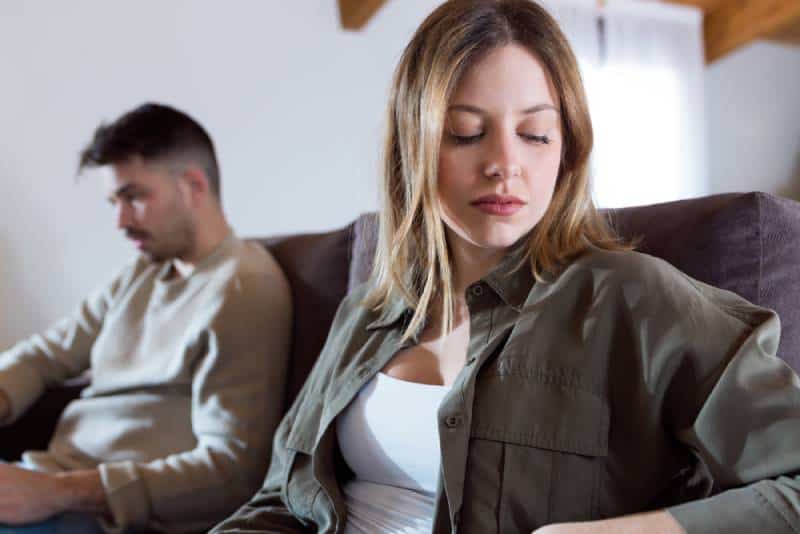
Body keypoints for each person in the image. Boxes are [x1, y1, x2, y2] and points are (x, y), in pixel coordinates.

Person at [213, 1, 800, 533]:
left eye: (535, 134)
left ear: (567, 150)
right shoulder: (366, 312)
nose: (504, 163)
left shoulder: (632, 298)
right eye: (466, 133)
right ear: (413, 145)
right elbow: (279, 503)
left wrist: (638, 532)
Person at [0, 103, 292, 533]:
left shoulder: (242, 289)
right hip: (42, 483)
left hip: (97, 515)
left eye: (134, 196)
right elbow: (47, 354)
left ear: (194, 184)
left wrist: (58, 492)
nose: (120, 221)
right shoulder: (144, 273)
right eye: (113, 202)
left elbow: (232, 470)